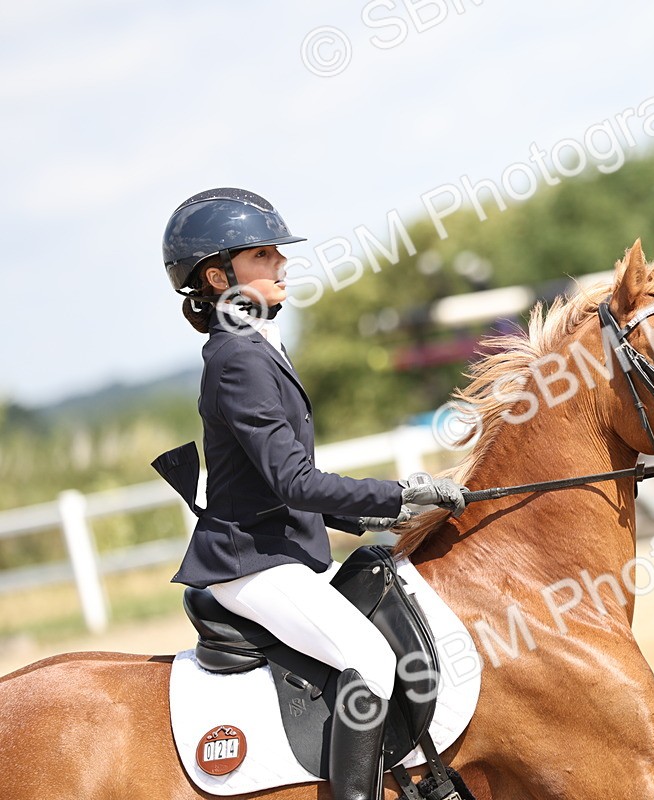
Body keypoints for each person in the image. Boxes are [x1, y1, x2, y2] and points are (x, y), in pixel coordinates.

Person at [160, 188, 467, 800]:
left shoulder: (253, 348)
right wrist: (398, 494)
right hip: (253, 564)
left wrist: (401, 505)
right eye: (263, 254)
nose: (281, 263)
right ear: (219, 275)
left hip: (282, 552)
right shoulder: (238, 359)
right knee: (372, 662)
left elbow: (289, 485)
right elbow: (293, 482)